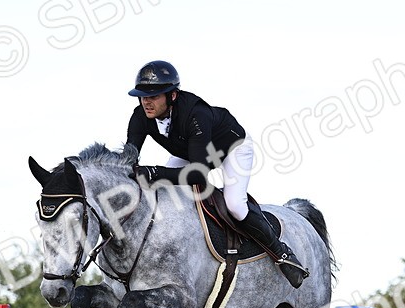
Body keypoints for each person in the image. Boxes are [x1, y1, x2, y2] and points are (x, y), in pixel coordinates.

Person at [125, 59, 308, 287]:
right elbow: (129, 157)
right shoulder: (140, 116)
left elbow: (199, 175)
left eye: (153, 96)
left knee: (235, 205)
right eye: (143, 96)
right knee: (162, 191)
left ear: (172, 96)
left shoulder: (195, 114)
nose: (146, 102)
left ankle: (282, 254)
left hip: (231, 147)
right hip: (192, 151)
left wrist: (153, 171)